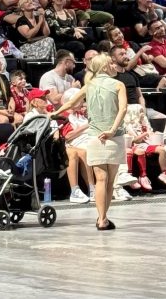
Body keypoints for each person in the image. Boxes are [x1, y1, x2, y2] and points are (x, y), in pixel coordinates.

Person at [53, 54, 127, 231]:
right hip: (114, 137)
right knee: (109, 181)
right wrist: (111, 130)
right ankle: (103, 218)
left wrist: (54, 114)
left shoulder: (89, 86)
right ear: (105, 67)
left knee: (100, 179)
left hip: (94, 137)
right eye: (111, 63)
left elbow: (70, 103)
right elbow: (123, 109)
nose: (114, 65)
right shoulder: (118, 85)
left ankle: (101, 218)